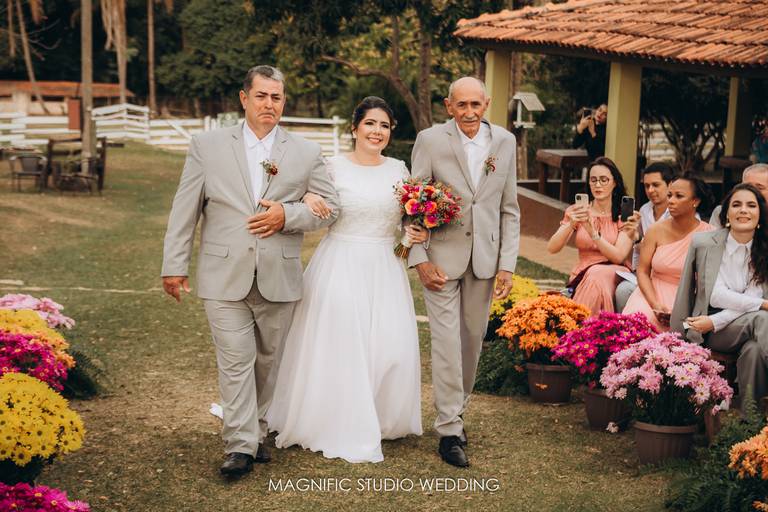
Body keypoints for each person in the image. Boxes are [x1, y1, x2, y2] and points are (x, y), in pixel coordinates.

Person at [161, 65, 340, 479]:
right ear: (244, 99)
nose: (268, 104)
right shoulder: (207, 146)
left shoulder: (306, 152)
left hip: (279, 275)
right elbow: (185, 208)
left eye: (276, 97)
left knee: (267, 362)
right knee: (236, 361)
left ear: (284, 101)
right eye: (261, 96)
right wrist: (174, 265)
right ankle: (240, 445)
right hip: (223, 274)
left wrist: (287, 215)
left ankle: (256, 429)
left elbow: (331, 208)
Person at [265, 97, 427, 463]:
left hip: (385, 265)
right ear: (354, 128)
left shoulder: (399, 170)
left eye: (384, 125)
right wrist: (309, 194)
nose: (377, 131)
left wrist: (413, 230)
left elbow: (405, 215)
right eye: (370, 123)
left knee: (389, 344)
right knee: (341, 343)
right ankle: (334, 417)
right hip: (341, 262)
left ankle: (380, 415)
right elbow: (300, 191)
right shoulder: (332, 167)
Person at [407, 77, 520, 468]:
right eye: (461, 105)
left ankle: (456, 408)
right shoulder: (430, 140)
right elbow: (412, 203)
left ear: (486, 103)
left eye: (476, 104)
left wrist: (506, 264)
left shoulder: (505, 142)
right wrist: (419, 258)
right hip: (440, 258)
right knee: (445, 343)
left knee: (472, 341)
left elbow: (509, 209)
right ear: (448, 105)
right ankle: (449, 430)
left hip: (485, 260)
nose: (469, 112)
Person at [671, 183, 768, 408]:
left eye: (751, 205)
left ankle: (750, 420)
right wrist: (680, 335)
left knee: (754, 350)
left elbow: (752, 302)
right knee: (762, 318)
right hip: (709, 331)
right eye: (737, 205)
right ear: (726, 215)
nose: (743, 210)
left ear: (760, 216)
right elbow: (715, 295)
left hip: (721, 323)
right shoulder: (705, 243)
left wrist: (714, 321)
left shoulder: (764, 249)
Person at [547, 157, 638, 316]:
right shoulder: (578, 211)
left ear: (614, 183)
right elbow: (552, 248)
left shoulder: (623, 215)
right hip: (584, 273)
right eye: (593, 180)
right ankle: (591, 326)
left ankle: (581, 323)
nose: (598, 185)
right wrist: (571, 223)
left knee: (596, 274)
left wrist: (593, 234)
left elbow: (618, 256)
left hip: (614, 272)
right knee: (593, 276)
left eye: (604, 180)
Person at [623, 174, 714, 330]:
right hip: (652, 293)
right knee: (637, 321)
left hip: (686, 298)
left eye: (679, 196)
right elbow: (642, 271)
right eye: (670, 195)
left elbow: (708, 283)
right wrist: (655, 304)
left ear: (695, 201)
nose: (671, 200)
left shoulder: (710, 234)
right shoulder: (655, 230)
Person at [615, 162, 675, 311]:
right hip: (644, 273)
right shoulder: (644, 210)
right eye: (647, 186)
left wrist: (642, 243)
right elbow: (638, 247)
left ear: (670, 185)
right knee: (622, 290)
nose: (650, 190)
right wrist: (634, 237)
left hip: (669, 277)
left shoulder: (677, 213)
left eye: (656, 185)